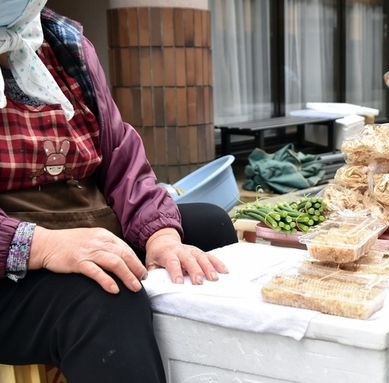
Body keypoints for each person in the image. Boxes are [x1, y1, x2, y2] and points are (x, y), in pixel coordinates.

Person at [0, 2, 238, 382]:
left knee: (209, 227)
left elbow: (121, 160)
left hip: (83, 223)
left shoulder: (64, 44)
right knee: (102, 293)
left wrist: (160, 235)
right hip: (10, 263)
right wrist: (41, 246)